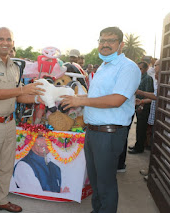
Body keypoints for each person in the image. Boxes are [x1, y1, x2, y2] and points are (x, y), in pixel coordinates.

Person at [60, 27, 141, 213]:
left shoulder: (127, 67)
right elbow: (98, 97)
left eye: (111, 40)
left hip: (109, 133)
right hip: (94, 132)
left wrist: (81, 100)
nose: (105, 44)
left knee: (106, 184)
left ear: (121, 45)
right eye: (102, 40)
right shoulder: (104, 66)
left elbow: (117, 99)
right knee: (96, 182)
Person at [0, 27, 44, 213]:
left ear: (13, 43)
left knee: (6, 166)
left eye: (8, 39)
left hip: (9, 123)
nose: (5, 42)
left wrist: (41, 98)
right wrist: (22, 91)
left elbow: (19, 97)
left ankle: (0, 200)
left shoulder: (14, 67)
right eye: (1, 39)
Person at [136, 59, 160, 179]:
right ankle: (152, 169)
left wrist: (141, 101)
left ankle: (155, 171)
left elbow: (154, 95)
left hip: (157, 115)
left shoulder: (149, 79)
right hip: (154, 114)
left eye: (156, 65)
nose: (154, 67)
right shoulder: (155, 79)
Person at [128, 61, 154, 154]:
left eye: (140, 68)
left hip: (143, 106)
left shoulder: (148, 78)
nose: (138, 70)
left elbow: (149, 94)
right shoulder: (138, 78)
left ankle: (139, 148)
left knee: (141, 128)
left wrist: (142, 105)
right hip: (136, 104)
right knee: (137, 128)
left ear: (146, 69)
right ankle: (137, 145)